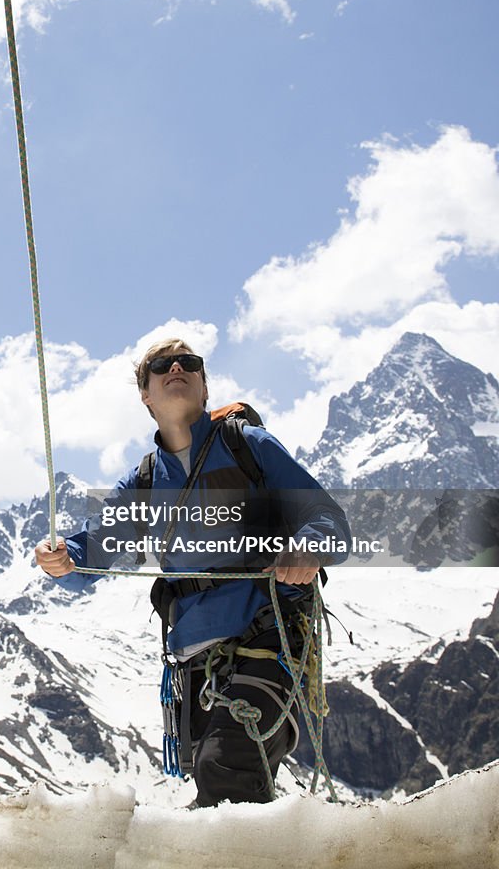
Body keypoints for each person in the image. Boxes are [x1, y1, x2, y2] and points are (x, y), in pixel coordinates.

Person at [35, 337, 350, 806]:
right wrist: (62, 559)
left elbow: (329, 522)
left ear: (204, 389)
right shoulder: (142, 482)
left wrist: (308, 546)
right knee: (225, 780)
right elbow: (91, 554)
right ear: (146, 395)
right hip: (196, 662)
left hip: (268, 636)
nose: (177, 366)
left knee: (225, 767)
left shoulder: (248, 447)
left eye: (190, 363)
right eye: (163, 364)